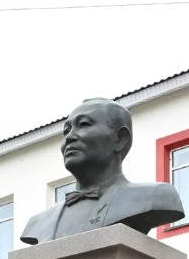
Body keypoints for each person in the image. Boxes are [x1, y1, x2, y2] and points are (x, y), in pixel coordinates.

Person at [21, 97, 184, 245]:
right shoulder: (38, 224)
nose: (69, 137)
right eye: (66, 130)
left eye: (83, 124)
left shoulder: (154, 196)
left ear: (120, 139)